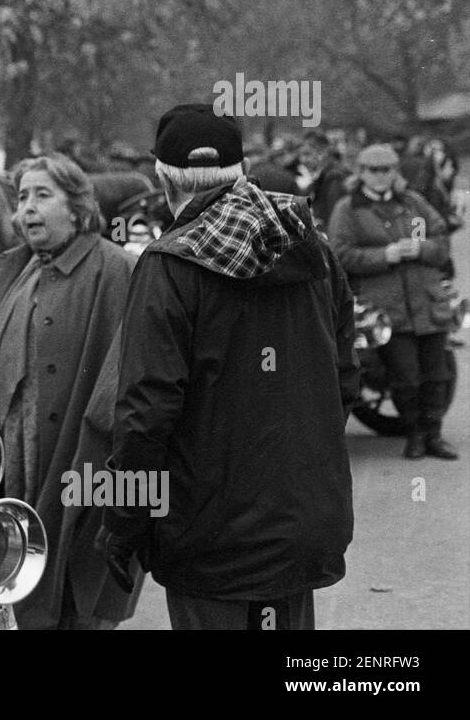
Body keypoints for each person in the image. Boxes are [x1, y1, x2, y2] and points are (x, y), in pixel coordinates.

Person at [98, 102, 358, 630]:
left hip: (209, 538)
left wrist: (122, 523)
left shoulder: (170, 263)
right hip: (301, 525)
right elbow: (344, 376)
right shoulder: (313, 249)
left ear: (163, 179)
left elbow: (147, 414)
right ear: (240, 173)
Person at [0, 153, 136, 629]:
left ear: (78, 208)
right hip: (16, 457)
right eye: (22, 197)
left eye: (43, 195)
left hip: (79, 460)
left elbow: (126, 381)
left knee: (76, 591)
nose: (28, 208)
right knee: (19, 580)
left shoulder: (114, 269)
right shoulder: (14, 268)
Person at [328, 144, 457, 460]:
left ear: (395, 172)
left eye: (387, 170)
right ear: (361, 173)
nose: (381, 176)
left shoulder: (414, 203)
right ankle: (414, 435)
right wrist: (384, 255)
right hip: (387, 310)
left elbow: (441, 243)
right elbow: (339, 254)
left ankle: (434, 436)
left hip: (427, 304)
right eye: (373, 170)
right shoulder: (348, 209)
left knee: (436, 375)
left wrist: (421, 249)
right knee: (406, 379)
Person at [292, 131, 349, 227]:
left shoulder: (334, 178)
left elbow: (336, 220)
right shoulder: (324, 177)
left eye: (307, 154)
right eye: (300, 155)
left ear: (323, 152)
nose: (303, 160)